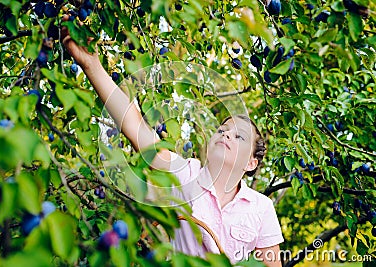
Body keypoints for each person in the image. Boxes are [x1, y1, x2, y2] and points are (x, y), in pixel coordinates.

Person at [62, 28, 284, 266]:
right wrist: (91, 66)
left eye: (239, 137)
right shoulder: (186, 174)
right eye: (222, 129)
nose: (226, 134)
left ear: (251, 163)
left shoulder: (262, 207)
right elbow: (135, 126)